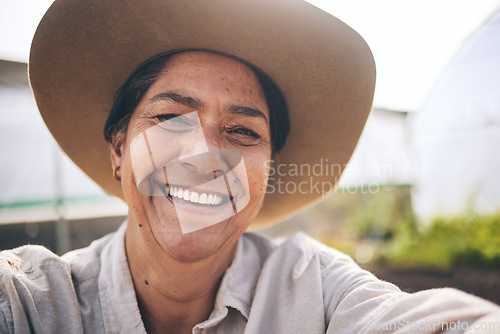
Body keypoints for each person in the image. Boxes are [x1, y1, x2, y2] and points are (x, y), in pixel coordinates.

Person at [1, 0, 500, 333]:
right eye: (172, 118)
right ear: (118, 148)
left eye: (243, 132)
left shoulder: (317, 289)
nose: (203, 157)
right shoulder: (32, 304)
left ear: (268, 169)